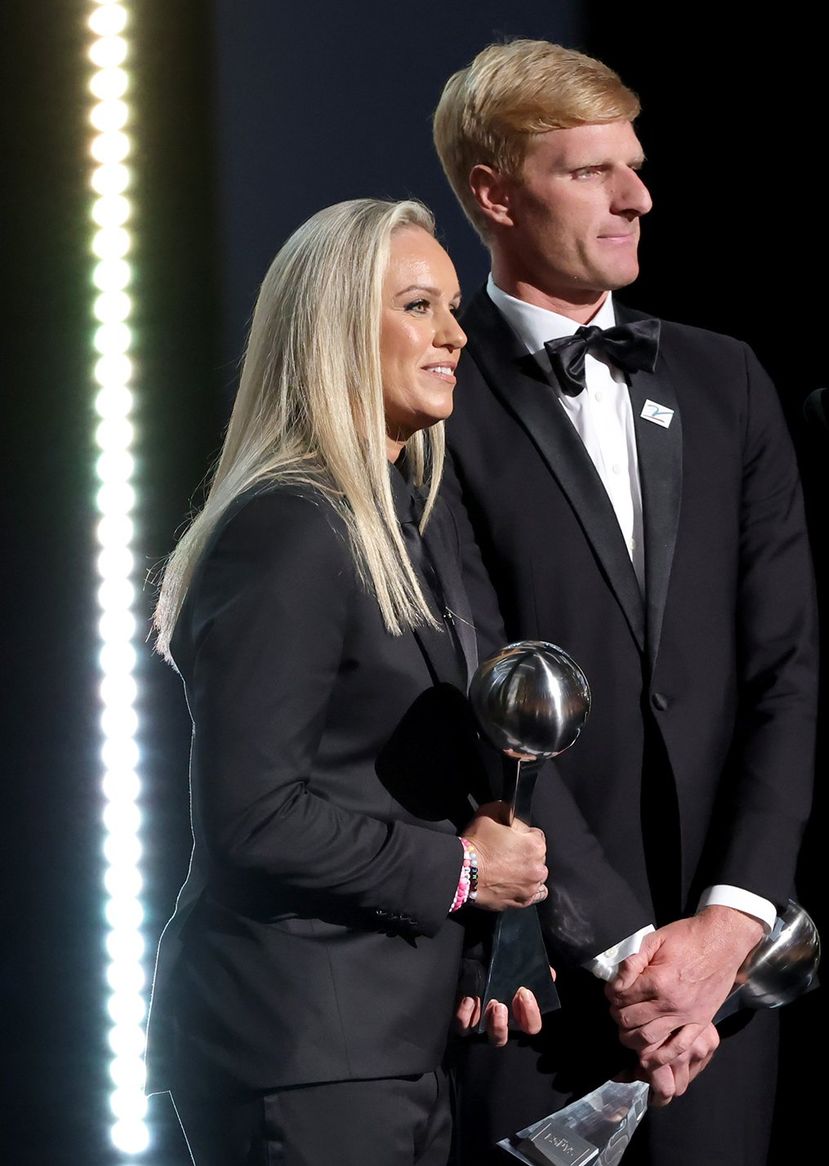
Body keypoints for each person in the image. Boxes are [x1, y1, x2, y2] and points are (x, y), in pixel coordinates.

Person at [433, 41, 819, 1164]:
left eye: (634, 166)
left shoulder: (724, 378)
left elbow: (785, 669)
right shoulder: (436, 393)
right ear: (494, 195)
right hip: (538, 983)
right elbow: (470, 685)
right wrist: (627, 953)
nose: (636, 197)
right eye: (589, 170)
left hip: (722, 989)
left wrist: (727, 926)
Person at [145, 197, 553, 1166]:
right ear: (333, 330)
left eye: (452, 306)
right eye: (417, 305)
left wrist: (495, 936)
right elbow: (254, 814)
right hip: (302, 1046)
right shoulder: (289, 526)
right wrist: (461, 873)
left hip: (390, 1043)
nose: (454, 333)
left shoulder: (409, 524)